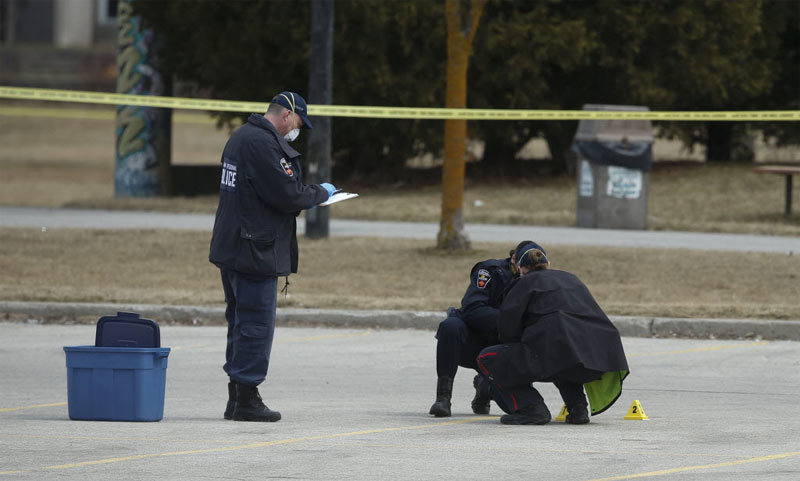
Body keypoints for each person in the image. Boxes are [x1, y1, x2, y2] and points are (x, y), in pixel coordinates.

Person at [208, 91, 337, 422]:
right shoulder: (263, 144)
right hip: (254, 250)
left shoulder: (242, 136)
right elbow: (287, 194)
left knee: (240, 323)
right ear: (286, 115)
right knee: (255, 325)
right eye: (299, 124)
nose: (297, 131)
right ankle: (247, 398)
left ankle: (236, 397)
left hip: (235, 245)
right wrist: (321, 193)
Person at [476, 243, 629, 425]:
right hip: (598, 357)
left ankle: (532, 408)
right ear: (548, 264)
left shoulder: (522, 283)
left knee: (487, 358)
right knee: (563, 354)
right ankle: (578, 408)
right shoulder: (571, 278)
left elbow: (508, 330)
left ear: (521, 269)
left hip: (560, 354)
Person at [429, 241, 544, 417]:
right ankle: (443, 398)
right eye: (525, 267)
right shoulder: (490, 271)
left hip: (505, 348)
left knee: (518, 408)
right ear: (514, 259)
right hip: (474, 341)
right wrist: (512, 321)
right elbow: (472, 308)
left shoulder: (541, 281)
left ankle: (486, 387)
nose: (528, 272)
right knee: (450, 326)